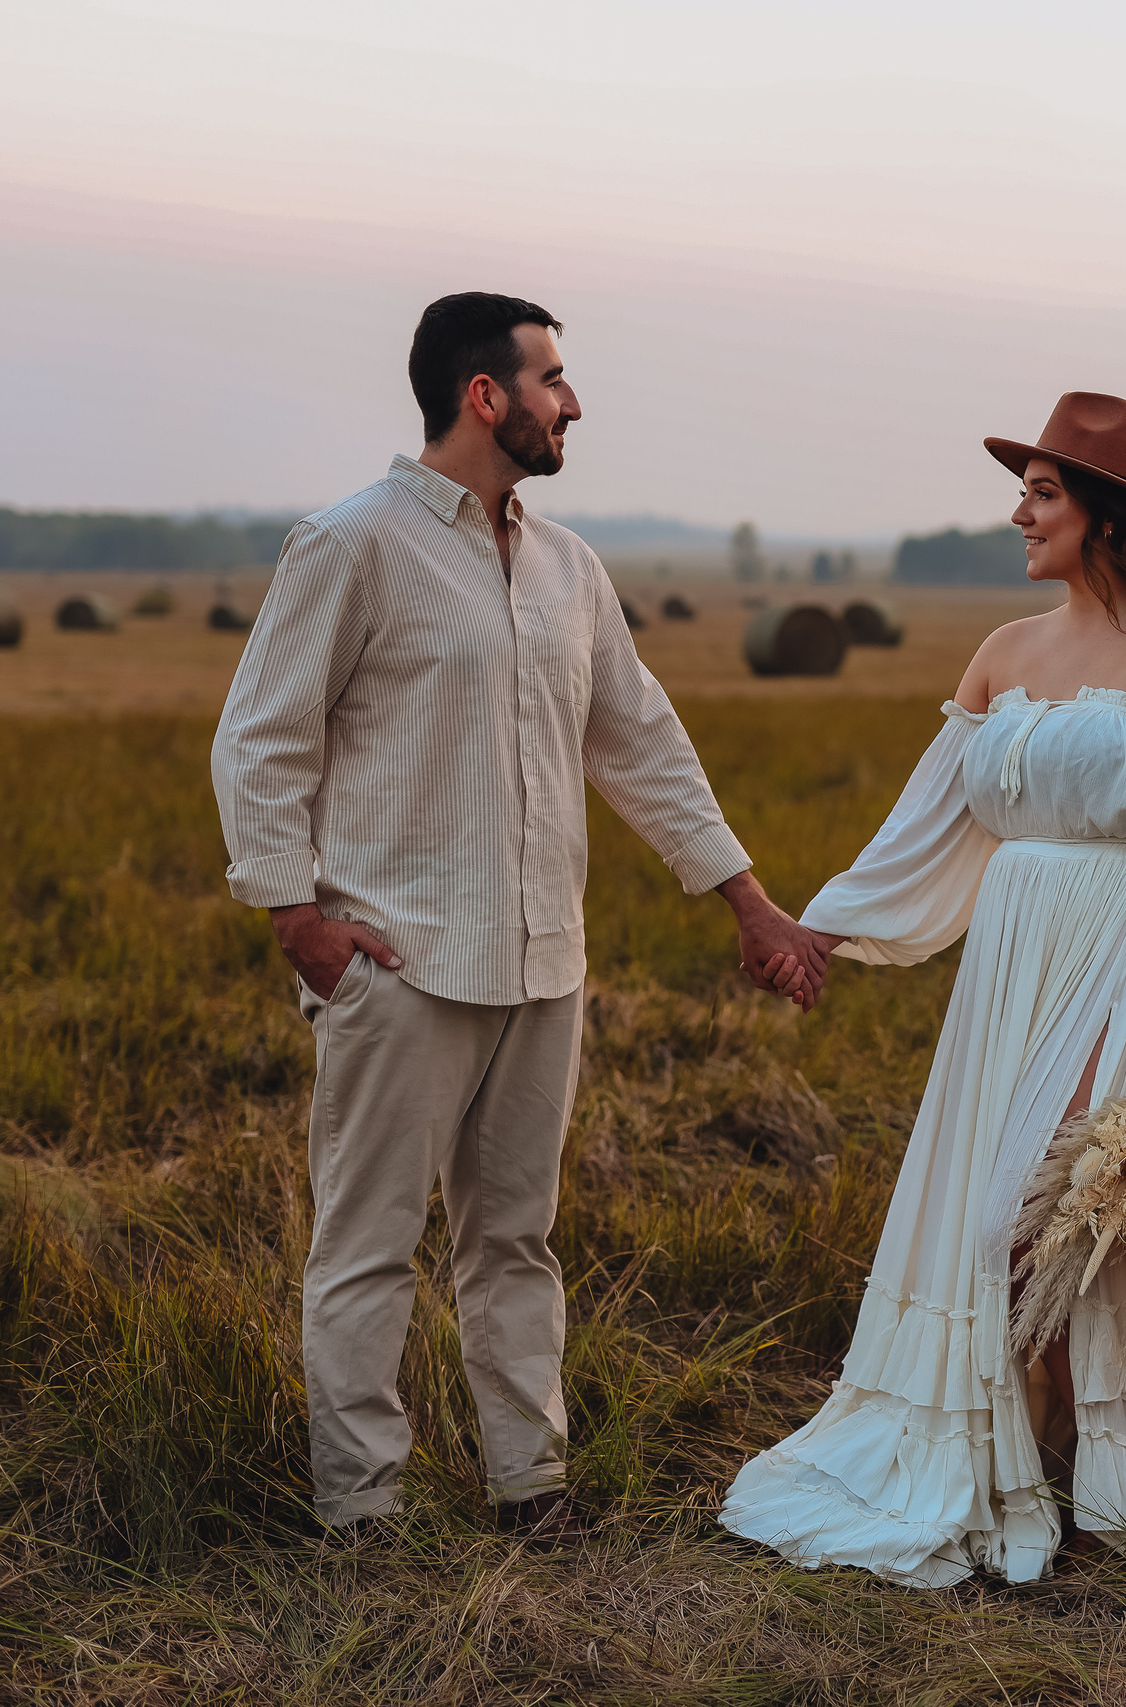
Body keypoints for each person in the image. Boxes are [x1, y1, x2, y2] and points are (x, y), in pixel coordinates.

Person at [210, 292, 823, 1540]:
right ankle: (359, 1512)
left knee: (516, 1244)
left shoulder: (568, 567)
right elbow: (260, 738)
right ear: (484, 396)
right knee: (369, 1247)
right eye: (551, 379)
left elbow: (643, 744)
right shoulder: (352, 544)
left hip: (547, 965)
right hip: (400, 962)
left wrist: (752, 907)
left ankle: (529, 1490)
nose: (573, 402)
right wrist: (299, 921)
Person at [722, 391, 1126, 1585]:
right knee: (1001, 1225)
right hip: (1012, 965)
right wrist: (819, 929)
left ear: (1106, 514)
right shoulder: (1003, 650)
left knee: (1082, 1216)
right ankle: (1032, 1456)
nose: (1019, 514)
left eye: (1042, 493)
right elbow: (929, 824)